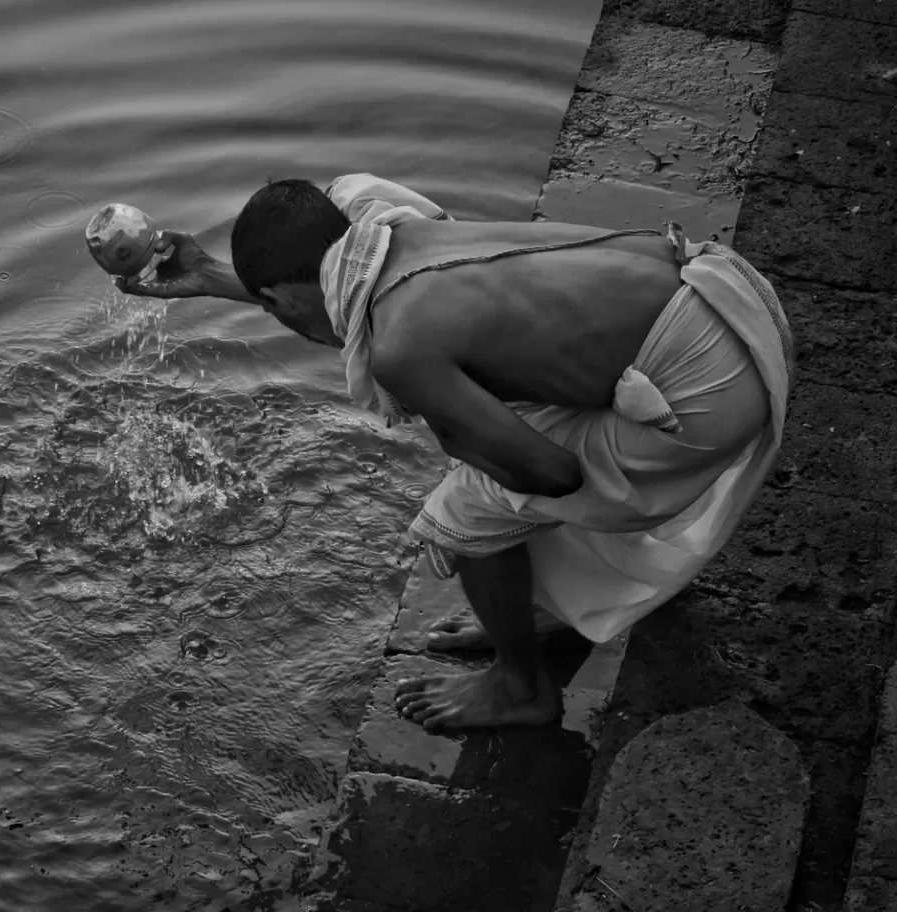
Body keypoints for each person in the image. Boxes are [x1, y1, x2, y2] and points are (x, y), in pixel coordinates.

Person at [115, 174, 792, 730]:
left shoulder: (403, 346)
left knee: (465, 511)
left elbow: (550, 474)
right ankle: (547, 610)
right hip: (730, 297)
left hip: (705, 392)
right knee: (492, 440)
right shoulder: (377, 214)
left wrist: (453, 435)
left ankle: (520, 688)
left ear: (285, 294)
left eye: (274, 307)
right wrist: (208, 274)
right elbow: (324, 298)